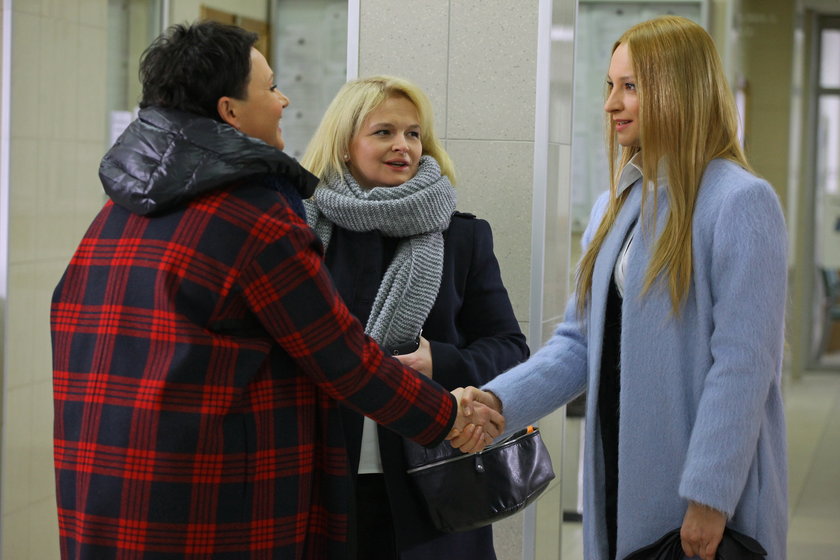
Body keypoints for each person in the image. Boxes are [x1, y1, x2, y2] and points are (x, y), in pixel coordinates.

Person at [50, 22, 502, 560]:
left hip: (107, 486)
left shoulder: (122, 209)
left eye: (413, 133)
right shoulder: (254, 214)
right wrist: (449, 417)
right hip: (210, 501)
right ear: (230, 111)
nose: (284, 99)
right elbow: (342, 357)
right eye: (269, 87)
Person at [457, 15, 788, 560]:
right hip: (619, 466)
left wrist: (709, 496)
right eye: (610, 87)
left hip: (701, 486)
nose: (611, 103)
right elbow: (578, 343)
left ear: (680, 90)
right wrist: (499, 402)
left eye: (630, 86)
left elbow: (744, 365)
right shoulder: (618, 204)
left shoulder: (740, 202)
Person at [300, 75, 529, 560]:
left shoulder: (462, 237)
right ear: (344, 145)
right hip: (317, 482)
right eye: (383, 132)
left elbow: (509, 347)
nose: (402, 145)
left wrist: (440, 363)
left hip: (433, 482)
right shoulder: (302, 235)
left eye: (413, 133)